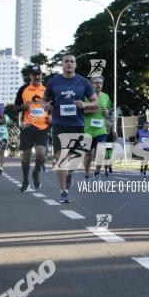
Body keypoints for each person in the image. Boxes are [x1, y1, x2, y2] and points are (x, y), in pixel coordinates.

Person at [45, 54, 98, 203]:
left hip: (77, 125)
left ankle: (68, 174)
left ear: (75, 65)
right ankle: (63, 191)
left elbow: (96, 103)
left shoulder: (84, 82)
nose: (69, 64)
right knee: (60, 158)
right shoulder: (53, 82)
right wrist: (46, 105)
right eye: (66, 61)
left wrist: (85, 104)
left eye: (72, 61)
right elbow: (45, 100)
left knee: (76, 160)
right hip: (59, 124)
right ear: (62, 64)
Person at [14, 65, 51, 192]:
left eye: (38, 74)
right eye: (34, 74)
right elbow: (15, 107)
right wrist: (24, 107)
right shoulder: (23, 89)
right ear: (30, 75)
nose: (36, 76)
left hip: (43, 127)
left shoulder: (47, 90)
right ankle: (25, 180)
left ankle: (36, 172)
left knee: (41, 155)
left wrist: (51, 116)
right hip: (27, 126)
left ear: (41, 75)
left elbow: (54, 107)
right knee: (26, 155)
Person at [82, 76, 111, 181]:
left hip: (101, 130)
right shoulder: (85, 96)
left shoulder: (106, 97)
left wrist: (106, 113)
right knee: (88, 155)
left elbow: (106, 112)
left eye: (100, 83)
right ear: (91, 84)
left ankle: (97, 172)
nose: (98, 85)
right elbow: (80, 112)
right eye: (96, 83)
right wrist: (91, 110)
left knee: (101, 151)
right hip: (87, 130)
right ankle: (86, 174)